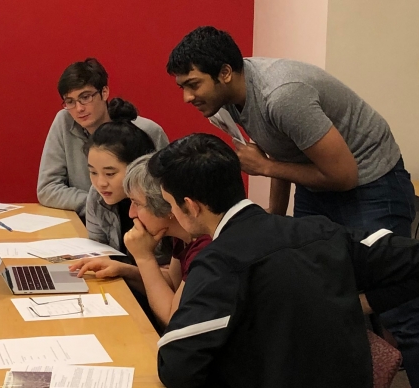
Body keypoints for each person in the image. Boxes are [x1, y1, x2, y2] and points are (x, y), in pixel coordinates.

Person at [167, 26, 418, 386]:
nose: (187, 98)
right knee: (305, 285)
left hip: (369, 180)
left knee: (403, 317)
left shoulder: (282, 95)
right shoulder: (222, 105)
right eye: (182, 87)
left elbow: (341, 175)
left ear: (224, 73)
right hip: (316, 175)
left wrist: (265, 168)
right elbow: (281, 150)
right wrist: (272, 223)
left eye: (193, 84)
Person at [148, 133, 419, 388]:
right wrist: (361, 303)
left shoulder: (219, 262)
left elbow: (175, 367)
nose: (171, 212)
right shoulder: (324, 231)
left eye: (170, 204)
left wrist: (358, 303)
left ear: (192, 206)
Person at [69, 154, 211, 328]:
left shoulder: (205, 245)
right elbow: (172, 285)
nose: (131, 213)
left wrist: (144, 257)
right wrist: (124, 270)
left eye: (137, 203)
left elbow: (171, 317)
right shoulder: (183, 237)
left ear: (167, 206)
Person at [37, 58, 169, 218]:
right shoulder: (64, 121)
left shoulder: (146, 131)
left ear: (104, 92)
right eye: (70, 101)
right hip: (87, 220)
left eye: (85, 97)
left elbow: (164, 193)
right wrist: (97, 207)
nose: (79, 108)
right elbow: (47, 188)